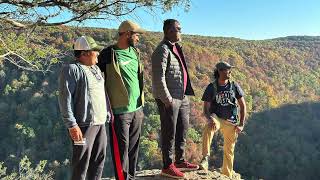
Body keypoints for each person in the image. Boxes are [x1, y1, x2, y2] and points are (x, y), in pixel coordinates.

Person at [97, 20, 145, 180]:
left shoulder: (135, 52)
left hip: (137, 109)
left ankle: (131, 176)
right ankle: (122, 178)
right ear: (127, 34)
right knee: (121, 150)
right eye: (136, 35)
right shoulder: (108, 54)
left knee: (133, 148)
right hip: (119, 111)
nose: (138, 38)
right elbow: (97, 79)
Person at [151, 19, 199, 179]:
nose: (181, 31)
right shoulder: (163, 50)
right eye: (179, 29)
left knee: (182, 129)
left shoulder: (176, 47)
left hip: (182, 96)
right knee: (169, 132)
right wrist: (167, 99)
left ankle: (179, 160)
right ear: (169, 31)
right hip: (170, 98)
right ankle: (167, 166)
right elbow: (158, 78)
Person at [58, 36, 110, 180]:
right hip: (84, 125)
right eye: (95, 51)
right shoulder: (72, 70)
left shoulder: (95, 69)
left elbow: (101, 94)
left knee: (98, 161)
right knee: (81, 164)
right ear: (85, 53)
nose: (98, 54)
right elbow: (64, 99)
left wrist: (107, 112)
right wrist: (72, 125)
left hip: (100, 123)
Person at [199, 61, 247, 177]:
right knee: (209, 127)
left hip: (231, 121)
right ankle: (205, 158)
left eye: (230, 69)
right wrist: (210, 118)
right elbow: (206, 108)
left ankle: (227, 175)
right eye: (227, 69)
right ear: (220, 71)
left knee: (229, 151)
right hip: (218, 118)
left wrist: (241, 124)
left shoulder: (234, 86)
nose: (229, 72)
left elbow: (242, 106)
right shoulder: (212, 87)